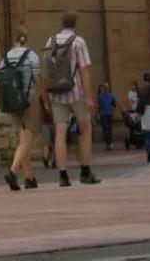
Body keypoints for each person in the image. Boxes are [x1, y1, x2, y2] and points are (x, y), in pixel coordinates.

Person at [41, 12, 101, 186]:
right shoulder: (78, 41)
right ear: (75, 23)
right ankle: (85, 171)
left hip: (56, 92)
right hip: (75, 91)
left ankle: (63, 175)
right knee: (85, 129)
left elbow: (46, 67)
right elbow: (84, 70)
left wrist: (46, 95)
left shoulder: (50, 41)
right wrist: (89, 97)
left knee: (60, 132)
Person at [0, 31, 41, 191]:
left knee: (22, 139)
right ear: (25, 41)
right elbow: (38, 79)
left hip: (11, 101)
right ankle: (13, 172)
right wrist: (46, 100)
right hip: (28, 100)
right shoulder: (32, 56)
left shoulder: (6, 58)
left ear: (14, 41)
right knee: (26, 140)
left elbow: (0, 82)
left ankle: (29, 178)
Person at [95, 82, 117, 150]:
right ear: (104, 88)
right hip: (103, 114)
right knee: (106, 128)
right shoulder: (100, 96)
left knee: (109, 128)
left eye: (108, 86)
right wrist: (98, 113)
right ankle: (108, 143)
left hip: (109, 114)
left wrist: (113, 106)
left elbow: (114, 104)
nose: (107, 88)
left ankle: (110, 143)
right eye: (105, 87)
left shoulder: (111, 95)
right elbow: (98, 106)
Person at [123, 81, 141, 149]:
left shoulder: (139, 93)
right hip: (133, 110)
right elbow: (130, 102)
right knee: (132, 125)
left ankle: (139, 139)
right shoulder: (130, 93)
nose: (133, 87)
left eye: (134, 86)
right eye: (132, 86)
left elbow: (140, 100)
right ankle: (133, 139)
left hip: (138, 110)